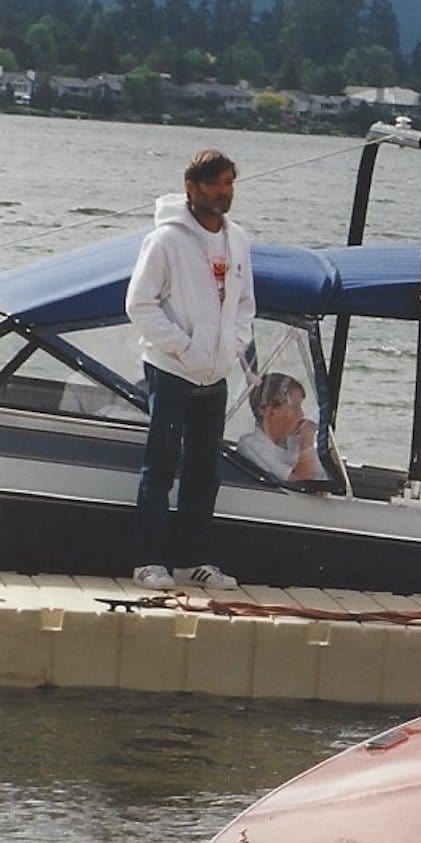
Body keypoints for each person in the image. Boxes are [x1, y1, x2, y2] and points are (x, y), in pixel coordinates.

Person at [126, 148, 255, 591]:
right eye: (217, 183)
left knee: (205, 470)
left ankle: (193, 559)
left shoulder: (237, 239)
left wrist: (230, 347)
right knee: (160, 466)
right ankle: (148, 561)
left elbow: (244, 305)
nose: (225, 192)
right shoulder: (165, 241)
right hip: (171, 369)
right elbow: (139, 304)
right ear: (192, 187)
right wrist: (183, 348)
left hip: (214, 374)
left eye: (230, 183)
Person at [238, 372, 326, 482]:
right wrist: (307, 439)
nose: (301, 414)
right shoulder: (252, 444)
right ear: (267, 410)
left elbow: (324, 477)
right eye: (294, 408)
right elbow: (303, 482)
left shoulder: (296, 442)